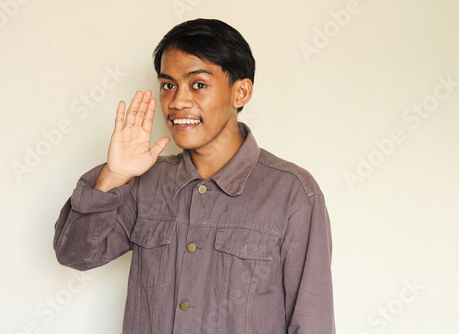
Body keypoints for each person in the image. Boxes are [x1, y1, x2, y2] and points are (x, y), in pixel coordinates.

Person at [53, 18, 335, 333]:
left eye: (198, 84)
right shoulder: (148, 181)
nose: (177, 102)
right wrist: (112, 176)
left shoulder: (293, 194)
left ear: (240, 92)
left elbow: (312, 322)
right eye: (168, 85)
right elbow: (75, 255)